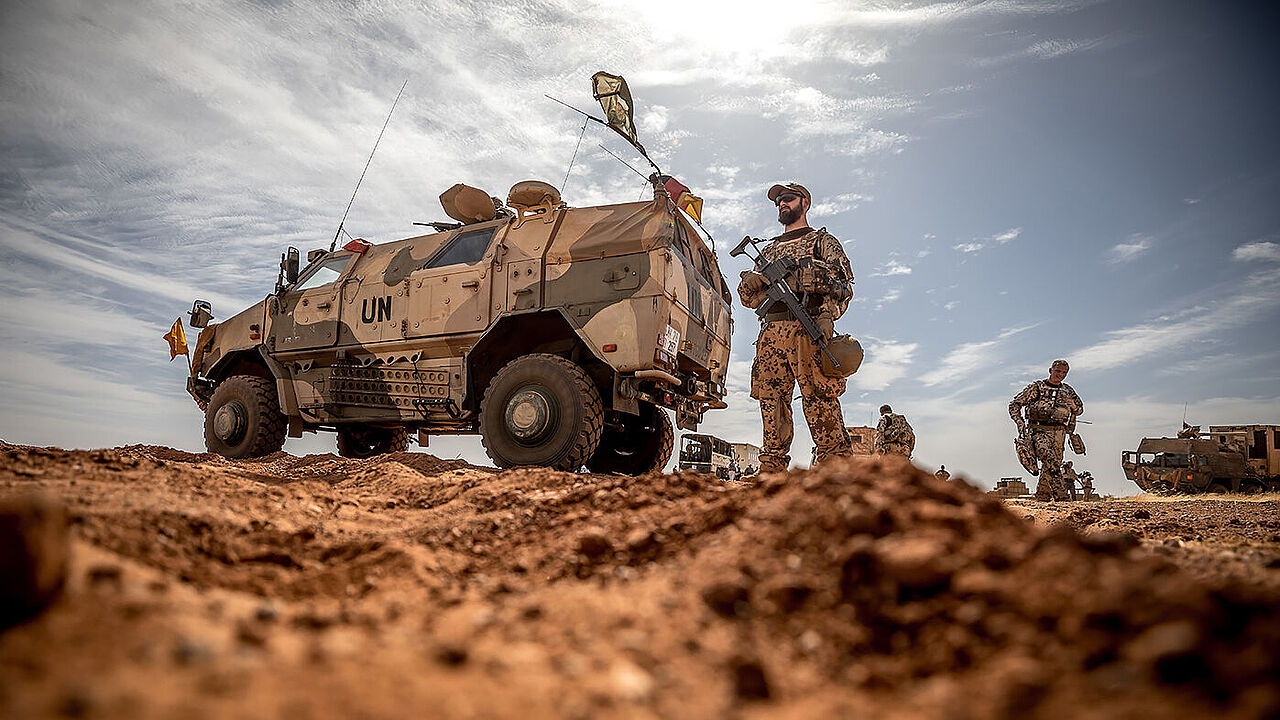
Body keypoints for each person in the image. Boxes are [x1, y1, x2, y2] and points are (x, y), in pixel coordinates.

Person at [738, 182, 854, 473]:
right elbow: (748, 299)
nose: (782, 204)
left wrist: (828, 315)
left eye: (788, 199)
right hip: (771, 333)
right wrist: (752, 282)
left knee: (819, 396)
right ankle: (772, 469)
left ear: (805, 202)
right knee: (771, 400)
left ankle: (834, 468)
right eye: (778, 201)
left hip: (808, 327)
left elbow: (842, 286)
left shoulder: (821, 242)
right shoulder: (769, 250)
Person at [1009, 359, 1085, 501]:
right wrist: (1019, 421)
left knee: (1052, 463)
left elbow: (1080, 409)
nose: (1060, 375)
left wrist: (1074, 407)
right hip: (1038, 430)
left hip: (1060, 433)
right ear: (1050, 371)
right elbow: (1014, 404)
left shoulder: (1067, 390)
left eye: (1064, 372)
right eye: (1058, 371)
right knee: (1048, 457)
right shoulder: (1037, 387)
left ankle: (1043, 497)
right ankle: (1061, 496)